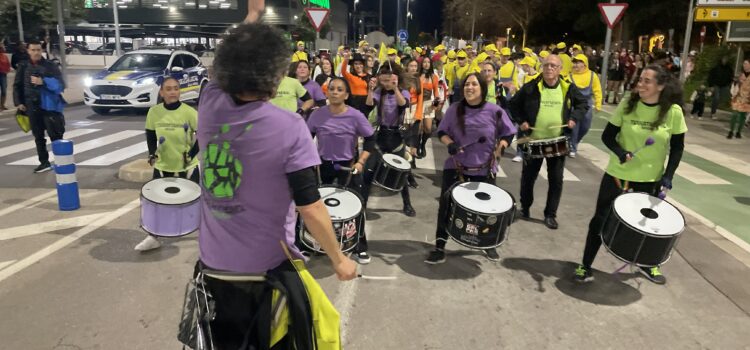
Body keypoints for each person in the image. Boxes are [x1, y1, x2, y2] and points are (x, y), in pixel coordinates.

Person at [193, 10, 356, 349]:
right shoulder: (290, 127)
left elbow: (223, 65)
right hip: (265, 276)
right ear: (276, 72)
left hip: (213, 271)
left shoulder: (209, 104)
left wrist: (251, 15)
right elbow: (309, 207)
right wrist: (338, 259)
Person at [574, 64, 686, 285]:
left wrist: (669, 176)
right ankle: (585, 265)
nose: (640, 84)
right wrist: (620, 152)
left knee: (648, 226)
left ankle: (648, 264)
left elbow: (678, 147)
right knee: (600, 220)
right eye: (640, 79)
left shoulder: (673, 112)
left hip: (650, 179)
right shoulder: (627, 104)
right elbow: (608, 136)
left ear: (661, 86)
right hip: (618, 175)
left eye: (647, 81)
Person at [424, 72, 517, 264]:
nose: (469, 87)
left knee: (488, 212)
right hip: (456, 168)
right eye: (467, 84)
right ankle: (440, 246)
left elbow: (508, 134)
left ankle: (488, 244)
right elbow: (442, 131)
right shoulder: (455, 109)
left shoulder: (494, 110)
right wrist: (449, 142)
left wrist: (501, 147)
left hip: (484, 169)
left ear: (482, 88)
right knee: (446, 207)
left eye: (474, 84)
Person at [509, 54, 587, 230]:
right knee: (528, 178)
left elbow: (583, 104)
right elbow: (513, 104)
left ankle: (550, 214)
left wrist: (574, 118)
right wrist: (522, 121)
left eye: (553, 66)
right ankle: (526, 207)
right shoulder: (531, 87)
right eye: (546, 65)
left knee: (556, 180)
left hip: (557, 141)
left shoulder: (568, 87)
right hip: (533, 140)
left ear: (560, 69)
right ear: (542, 67)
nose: (549, 68)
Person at [307, 77, 376, 264]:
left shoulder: (356, 116)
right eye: (331, 89)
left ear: (346, 95)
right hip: (323, 165)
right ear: (327, 92)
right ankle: (309, 243)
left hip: (348, 165)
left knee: (356, 206)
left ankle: (360, 246)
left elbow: (370, 139)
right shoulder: (317, 115)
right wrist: (311, 160)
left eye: (339, 89)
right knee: (315, 206)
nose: (335, 92)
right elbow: (306, 139)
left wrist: (361, 162)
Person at [136, 77, 200, 251]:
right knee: (158, 205)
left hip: (187, 167)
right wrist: (151, 153)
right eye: (169, 89)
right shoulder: (154, 112)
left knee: (195, 203)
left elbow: (202, 134)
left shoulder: (189, 112)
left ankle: (204, 239)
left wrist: (191, 154)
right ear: (162, 92)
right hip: (163, 166)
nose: (173, 92)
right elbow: (150, 134)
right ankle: (153, 236)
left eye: (176, 88)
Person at [362, 63, 417, 217]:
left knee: (402, 172)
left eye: (389, 80)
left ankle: (407, 204)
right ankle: (363, 204)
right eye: (384, 81)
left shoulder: (403, 92)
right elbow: (369, 105)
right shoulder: (379, 91)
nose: (386, 84)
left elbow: (403, 104)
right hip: (380, 135)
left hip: (396, 136)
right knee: (369, 171)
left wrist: (395, 88)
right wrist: (370, 90)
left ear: (396, 79)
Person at [13, 40, 65, 173]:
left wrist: (43, 82)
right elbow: (17, 85)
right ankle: (44, 162)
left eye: (38, 50)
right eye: (33, 50)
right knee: (38, 136)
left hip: (49, 107)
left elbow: (60, 85)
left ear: (41, 50)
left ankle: (62, 161)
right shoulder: (23, 66)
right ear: (28, 51)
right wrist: (19, 102)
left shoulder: (50, 65)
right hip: (31, 106)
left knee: (56, 135)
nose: (36, 52)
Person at [568, 54, 602, 158]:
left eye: (578, 62)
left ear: (584, 64)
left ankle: (574, 142)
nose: (576, 64)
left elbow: (597, 90)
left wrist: (598, 103)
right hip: (574, 104)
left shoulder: (592, 75)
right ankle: (572, 147)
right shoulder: (569, 76)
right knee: (574, 127)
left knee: (585, 126)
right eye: (575, 62)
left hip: (587, 104)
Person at [728, 59, 750, 139]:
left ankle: (738, 132)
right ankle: (731, 131)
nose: (745, 65)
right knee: (734, 114)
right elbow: (735, 84)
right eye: (744, 64)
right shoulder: (740, 74)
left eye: (747, 64)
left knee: (742, 116)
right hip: (737, 97)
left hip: (747, 99)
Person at [708, 56, 734, 120]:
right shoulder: (716, 68)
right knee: (716, 98)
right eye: (723, 60)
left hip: (724, 85)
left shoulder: (729, 69)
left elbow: (731, 77)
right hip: (716, 85)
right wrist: (711, 85)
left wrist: (729, 83)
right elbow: (711, 76)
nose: (724, 61)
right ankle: (713, 113)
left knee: (725, 98)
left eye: (726, 60)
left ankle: (715, 105)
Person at [0, 43, 10, 110]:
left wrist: (7, 70)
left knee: (4, 91)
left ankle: (2, 105)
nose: (4, 48)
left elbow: (8, 64)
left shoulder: (5, 56)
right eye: (3, 47)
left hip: (3, 75)